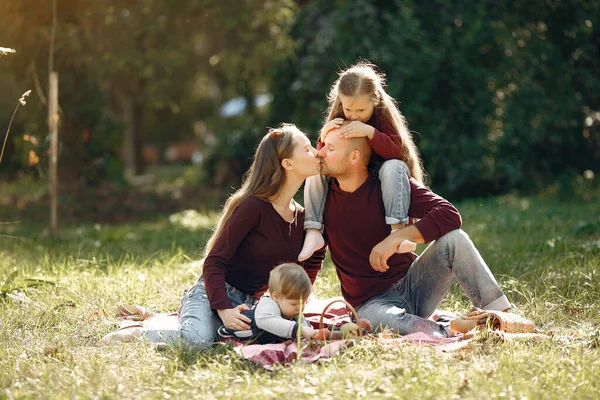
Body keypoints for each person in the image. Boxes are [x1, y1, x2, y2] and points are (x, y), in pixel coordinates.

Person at [100, 124, 324, 349]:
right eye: (307, 148)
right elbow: (214, 261)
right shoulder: (252, 208)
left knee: (298, 335)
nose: (316, 152)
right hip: (212, 295)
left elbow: (315, 254)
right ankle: (138, 333)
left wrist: (298, 296)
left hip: (256, 304)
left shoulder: (303, 217)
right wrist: (224, 309)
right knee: (199, 342)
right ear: (288, 164)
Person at [316, 128, 512, 337]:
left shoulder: (389, 185)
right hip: (370, 305)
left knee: (454, 239)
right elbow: (313, 252)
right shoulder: (323, 199)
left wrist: (397, 237)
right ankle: (451, 329)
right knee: (384, 320)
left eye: (330, 148)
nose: (320, 152)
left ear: (354, 156)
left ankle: (501, 315)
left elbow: (449, 215)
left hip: (414, 286)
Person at [298, 61, 422, 262]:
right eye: (348, 110)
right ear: (340, 101)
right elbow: (326, 154)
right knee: (317, 168)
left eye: (361, 111)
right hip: (351, 174)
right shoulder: (340, 114)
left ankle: (397, 232)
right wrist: (323, 137)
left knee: (393, 167)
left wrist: (371, 133)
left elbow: (397, 152)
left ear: (375, 101)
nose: (354, 116)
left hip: (381, 175)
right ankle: (313, 230)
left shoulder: (382, 116)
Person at [217, 263, 318, 344]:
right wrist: (300, 330)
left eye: (304, 302)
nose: (300, 308)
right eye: (294, 304)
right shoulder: (267, 306)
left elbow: (302, 323)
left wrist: (311, 333)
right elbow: (269, 322)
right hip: (238, 332)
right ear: (276, 297)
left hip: (265, 337)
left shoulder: (294, 311)